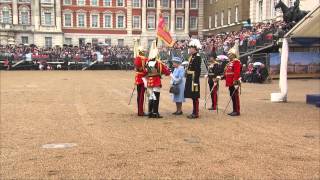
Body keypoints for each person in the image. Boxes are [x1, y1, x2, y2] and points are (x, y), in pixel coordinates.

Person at [146, 46, 171, 118]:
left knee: (151, 96)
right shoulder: (158, 63)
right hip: (156, 80)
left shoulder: (147, 62)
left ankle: (150, 112)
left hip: (150, 81)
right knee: (156, 97)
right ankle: (155, 112)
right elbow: (166, 71)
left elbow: (145, 71)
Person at [184, 39, 202, 119]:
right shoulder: (192, 57)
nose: (189, 49)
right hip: (190, 77)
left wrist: (195, 81)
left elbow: (197, 70)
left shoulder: (197, 57)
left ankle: (196, 112)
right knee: (192, 96)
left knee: (195, 96)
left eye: (191, 48)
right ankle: (194, 111)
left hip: (194, 78)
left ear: (194, 49)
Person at [224, 48, 241, 116]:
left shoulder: (236, 61)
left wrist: (235, 80)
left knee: (235, 96)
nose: (228, 55)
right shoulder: (230, 62)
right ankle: (234, 110)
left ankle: (237, 111)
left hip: (234, 82)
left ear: (233, 55)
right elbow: (227, 72)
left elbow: (237, 72)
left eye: (229, 54)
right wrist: (223, 77)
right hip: (230, 82)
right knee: (232, 96)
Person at [133, 46, 148, 116]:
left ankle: (139, 110)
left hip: (138, 78)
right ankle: (140, 112)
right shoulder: (142, 58)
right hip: (142, 78)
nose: (144, 52)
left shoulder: (137, 58)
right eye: (144, 51)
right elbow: (141, 69)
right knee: (141, 96)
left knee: (139, 95)